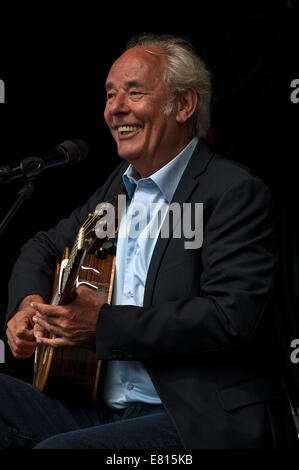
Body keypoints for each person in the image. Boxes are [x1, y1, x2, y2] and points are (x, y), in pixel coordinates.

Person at [1, 33, 298, 449]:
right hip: (101, 408)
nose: (115, 108)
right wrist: (28, 307)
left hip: (194, 420)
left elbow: (231, 316)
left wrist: (103, 324)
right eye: (109, 95)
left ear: (184, 105)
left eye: (134, 92)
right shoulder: (117, 193)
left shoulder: (231, 191)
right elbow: (43, 246)